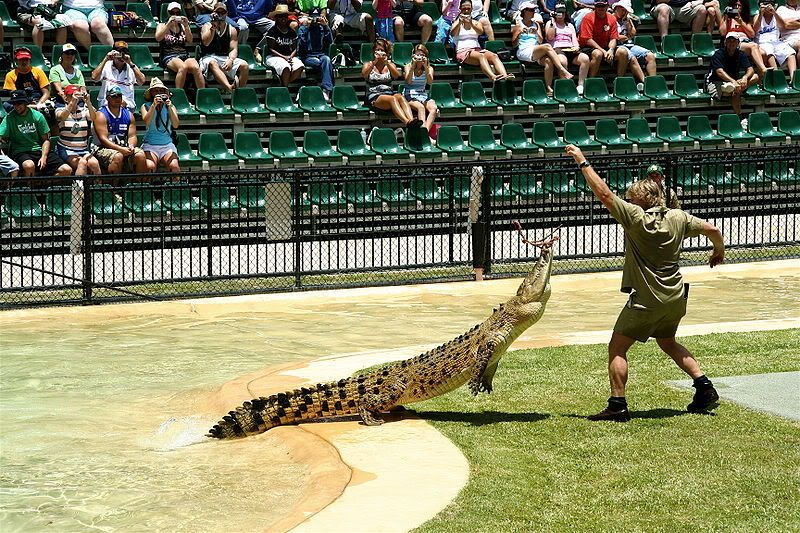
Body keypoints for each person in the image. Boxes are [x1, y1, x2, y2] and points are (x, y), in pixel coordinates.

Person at [565, 144, 725, 421]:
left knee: (617, 347)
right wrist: (718, 251)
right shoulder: (678, 216)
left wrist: (582, 161)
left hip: (648, 299)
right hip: (675, 296)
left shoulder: (635, 218)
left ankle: (617, 405)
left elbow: (603, 194)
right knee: (668, 342)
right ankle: (704, 386)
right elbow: (712, 229)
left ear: (637, 202)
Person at [0, 90, 72, 178]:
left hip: (39, 150)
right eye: (14, 104)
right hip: (20, 151)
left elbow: (46, 140)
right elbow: (1, 135)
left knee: (66, 170)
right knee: (29, 165)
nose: (16, 107)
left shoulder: (38, 116)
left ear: (25, 103)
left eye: (19, 104)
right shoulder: (9, 118)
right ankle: (31, 189)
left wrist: (44, 157)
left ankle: (41, 183)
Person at [513, 1, 573, 95]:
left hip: (535, 49)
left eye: (534, 10)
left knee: (548, 60)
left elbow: (540, 41)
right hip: (523, 51)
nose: (534, 12)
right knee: (548, 46)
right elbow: (514, 44)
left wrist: (536, 32)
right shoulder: (518, 25)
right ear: (525, 11)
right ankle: (562, 70)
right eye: (531, 10)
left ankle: (549, 88)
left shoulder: (536, 24)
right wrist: (519, 34)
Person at [92, 86, 151, 175]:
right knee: (117, 156)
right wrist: (120, 149)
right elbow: (103, 139)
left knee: (140, 154)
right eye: (114, 96)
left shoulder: (129, 114)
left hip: (123, 146)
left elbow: (132, 136)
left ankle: (141, 185)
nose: (117, 99)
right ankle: (115, 187)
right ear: (108, 98)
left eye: (119, 96)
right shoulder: (100, 114)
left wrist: (131, 146)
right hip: (102, 148)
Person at [362, 38, 420, 126]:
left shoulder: (390, 64)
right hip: (375, 96)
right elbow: (364, 75)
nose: (379, 52)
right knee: (392, 99)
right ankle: (407, 122)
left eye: (382, 50)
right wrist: (374, 62)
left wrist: (387, 63)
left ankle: (412, 120)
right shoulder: (368, 64)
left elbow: (396, 75)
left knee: (400, 97)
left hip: (389, 92)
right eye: (377, 50)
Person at [452, 0, 511, 80]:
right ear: (460, 9)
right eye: (464, 9)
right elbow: (452, 33)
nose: (466, 11)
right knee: (481, 56)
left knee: (494, 56)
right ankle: (493, 77)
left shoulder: (476, 23)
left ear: (472, 9)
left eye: (468, 9)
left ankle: (505, 76)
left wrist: (471, 23)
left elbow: (480, 31)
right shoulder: (456, 22)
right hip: (463, 51)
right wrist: (459, 22)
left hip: (477, 49)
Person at [199, 2, 250, 91]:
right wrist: (213, 28)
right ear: (213, 13)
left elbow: (233, 49)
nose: (220, 15)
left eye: (223, 12)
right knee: (212, 63)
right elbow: (206, 43)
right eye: (218, 12)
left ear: (226, 13)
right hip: (208, 56)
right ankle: (229, 88)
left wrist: (230, 60)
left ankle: (240, 92)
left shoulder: (232, 29)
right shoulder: (206, 26)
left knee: (244, 65)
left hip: (224, 56)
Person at [156, 3, 205, 91]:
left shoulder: (182, 26)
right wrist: (168, 25)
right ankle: (180, 95)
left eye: (177, 13)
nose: (175, 15)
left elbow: (190, 40)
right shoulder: (162, 25)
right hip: (169, 54)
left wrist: (186, 26)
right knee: (183, 67)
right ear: (168, 13)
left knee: (196, 67)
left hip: (183, 54)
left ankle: (202, 95)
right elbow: (158, 38)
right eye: (172, 13)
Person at [54, 84, 101, 176]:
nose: (73, 98)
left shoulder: (83, 110)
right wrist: (71, 103)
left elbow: (93, 117)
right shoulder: (60, 109)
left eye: (75, 95)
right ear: (65, 96)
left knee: (94, 163)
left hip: (83, 149)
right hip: (66, 149)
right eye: (70, 95)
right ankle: (78, 190)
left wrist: (88, 102)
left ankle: (97, 189)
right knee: (81, 163)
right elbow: (61, 117)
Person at [705, 34, 756, 115]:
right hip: (716, 82)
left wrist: (745, 77)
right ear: (725, 42)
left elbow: (750, 69)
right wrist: (733, 81)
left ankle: (736, 88)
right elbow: (719, 72)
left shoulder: (741, 54)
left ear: (738, 43)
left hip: (734, 82)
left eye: (734, 41)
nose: (731, 43)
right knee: (735, 90)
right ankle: (739, 116)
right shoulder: (718, 54)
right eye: (729, 41)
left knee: (755, 77)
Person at [546, 3, 591, 93]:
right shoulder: (550, 24)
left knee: (585, 58)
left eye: (562, 12)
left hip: (570, 49)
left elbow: (574, 39)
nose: (561, 15)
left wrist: (576, 47)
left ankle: (581, 85)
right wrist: (552, 21)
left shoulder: (569, 25)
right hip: (558, 49)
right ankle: (565, 85)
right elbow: (549, 37)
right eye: (558, 12)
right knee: (562, 61)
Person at [578, 0, 629, 79]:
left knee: (623, 52)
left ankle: (620, 80)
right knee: (598, 54)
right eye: (598, 6)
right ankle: (591, 80)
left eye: (603, 6)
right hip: (588, 47)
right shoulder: (588, 18)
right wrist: (603, 51)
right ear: (595, 7)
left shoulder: (611, 18)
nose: (600, 8)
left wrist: (611, 50)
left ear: (607, 6)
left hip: (605, 46)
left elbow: (613, 38)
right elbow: (587, 39)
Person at [720, 0, 771, 76]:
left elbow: (752, 34)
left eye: (739, 5)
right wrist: (725, 18)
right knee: (754, 46)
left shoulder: (744, 19)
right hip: (734, 42)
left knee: (763, 53)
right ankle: (763, 69)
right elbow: (722, 33)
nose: (737, 7)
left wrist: (741, 22)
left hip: (746, 41)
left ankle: (760, 79)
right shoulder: (727, 18)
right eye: (735, 5)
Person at [140, 78, 180, 173]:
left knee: (174, 167)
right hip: (150, 145)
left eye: (161, 91)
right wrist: (154, 106)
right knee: (149, 167)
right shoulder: (145, 106)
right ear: (151, 93)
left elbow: (176, 125)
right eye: (156, 90)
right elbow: (147, 121)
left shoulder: (171, 106)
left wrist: (169, 106)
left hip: (167, 145)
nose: (159, 93)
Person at [91, 41, 146, 110]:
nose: (121, 55)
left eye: (124, 52)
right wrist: (106, 59)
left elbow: (141, 81)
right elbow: (94, 77)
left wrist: (130, 62)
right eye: (119, 52)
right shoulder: (106, 65)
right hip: (106, 104)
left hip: (127, 105)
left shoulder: (131, 67)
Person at [614, 0, 657, 84]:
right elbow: (616, 37)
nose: (624, 12)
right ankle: (646, 83)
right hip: (617, 46)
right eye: (622, 10)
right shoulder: (610, 19)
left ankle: (653, 81)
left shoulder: (627, 19)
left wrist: (627, 22)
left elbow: (633, 33)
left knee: (650, 55)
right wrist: (627, 36)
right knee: (632, 58)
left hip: (628, 44)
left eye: (625, 10)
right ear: (616, 8)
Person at [263, 4, 305, 86]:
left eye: (285, 17)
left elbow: (295, 48)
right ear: (276, 18)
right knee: (286, 67)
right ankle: (286, 90)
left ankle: (283, 85)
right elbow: (271, 49)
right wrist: (284, 57)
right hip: (273, 57)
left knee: (300, 66)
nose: (283, 19)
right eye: (281, 17)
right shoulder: (272, 31)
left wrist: (290, 57)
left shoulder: (291, 31)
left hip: (290, 56)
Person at [298, 8, 335, 101]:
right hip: (307, 56)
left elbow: (330, 41)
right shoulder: (303, 28)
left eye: (316, 18)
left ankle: (326, 90)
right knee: (321, 63)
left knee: (326, 60)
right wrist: (307, 27)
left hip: (320, 54)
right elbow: (301, 45)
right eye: (312, 18)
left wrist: (326, 26)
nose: (315, 21)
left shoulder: (322, 28)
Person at [755, 0, 797, 79]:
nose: (768, 6)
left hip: (776, 42)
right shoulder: (757, 16)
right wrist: (761, 14)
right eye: (766, 4)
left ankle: (793, 78)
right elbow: (755, 30)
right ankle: (777, 78)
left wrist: (774, 13)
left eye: (770, 4)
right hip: (763, 42)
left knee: (791, 53)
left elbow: (783, 25)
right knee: (770, 53)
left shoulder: (776, 16)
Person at [403, 44, 439, 132]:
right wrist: (413, 67)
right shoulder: (407, 66)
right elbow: (408, 81)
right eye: (418, 54)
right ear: (413, 56)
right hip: (409, 94)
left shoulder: (429, 68)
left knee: (434, 109)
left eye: (422, 55)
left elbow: (430, 82)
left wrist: (426, 67)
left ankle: (424, 133)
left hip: (422, 94)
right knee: (421, 108)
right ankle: (424, 133)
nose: (420, 57)